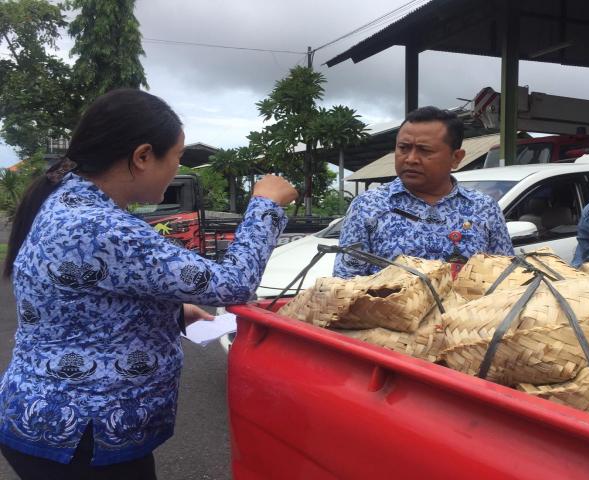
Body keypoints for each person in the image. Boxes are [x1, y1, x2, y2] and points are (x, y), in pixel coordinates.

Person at [0, 89, 297, 479]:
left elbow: (83, 302)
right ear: (142, 156)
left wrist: (171, 313)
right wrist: (265, 205)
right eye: (176, 157)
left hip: (51, 423)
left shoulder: (67, 201)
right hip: (83, 434)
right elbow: (232, 283)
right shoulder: (103, 228)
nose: (177, 168)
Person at [333, 106, 513, 278]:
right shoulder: (367, 206)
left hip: (466, 309)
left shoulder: (484, 208)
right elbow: (346, 282)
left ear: (456, 158)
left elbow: (506, 277)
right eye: (403, 148)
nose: (411, 159)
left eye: (424, 150)